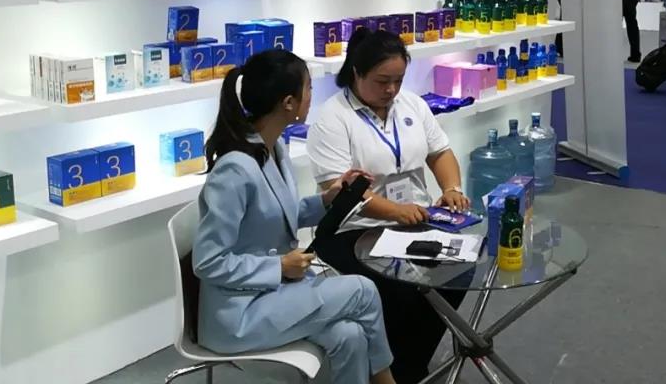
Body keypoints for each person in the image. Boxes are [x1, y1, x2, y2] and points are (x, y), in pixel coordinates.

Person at [193, 49, 397, 384]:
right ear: (288, 102)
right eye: (309, 88)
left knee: (350, 336)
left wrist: (328, 200)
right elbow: (208, 261)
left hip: (273, 296)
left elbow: (277, 215)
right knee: (362, 290)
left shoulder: (273, 148)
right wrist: (278, 267)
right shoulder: (234, 170)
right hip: (239, 316)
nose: (312, 96)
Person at [308, 27, 472, 384]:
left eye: (398, 80)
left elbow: (440, 152)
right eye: (383, 81)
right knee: (400, 287)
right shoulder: (332, 119)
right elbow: (341, 191)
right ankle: (396, 370)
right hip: (356, 230)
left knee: (459, 270)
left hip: (415, 221)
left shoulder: (411, 104)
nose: (391, 90)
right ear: (356, 73)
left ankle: (408, 364)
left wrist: (451, 188)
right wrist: (395, 212)